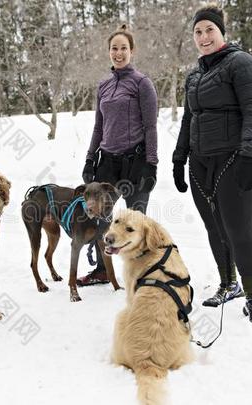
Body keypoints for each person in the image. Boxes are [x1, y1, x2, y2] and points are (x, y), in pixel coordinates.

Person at [172, 5, 252, 334]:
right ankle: (229, 284)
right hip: (200, 164)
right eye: (198, 32)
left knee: (239, 231)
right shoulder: (194, 76)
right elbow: (189, 118)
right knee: (215, 228)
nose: (203, 37)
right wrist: (179, 156)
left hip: (232, 159)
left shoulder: (241, 64)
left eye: (209, 30)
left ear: (221, 32)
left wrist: (248, 154)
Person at [78, 25, 158, 286]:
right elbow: (99, 127)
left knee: (136, 220)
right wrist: (90, 159)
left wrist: (151, 165)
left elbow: (150, 126)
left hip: (135, 161)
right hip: (108, 162)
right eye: (114, 48)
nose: (119, 53)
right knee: (102, 219)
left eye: (124, 48)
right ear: (109, 52)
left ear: (132, 51)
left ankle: (141, 272)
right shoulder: (103, 85)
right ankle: (103, 270)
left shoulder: (142, 83)